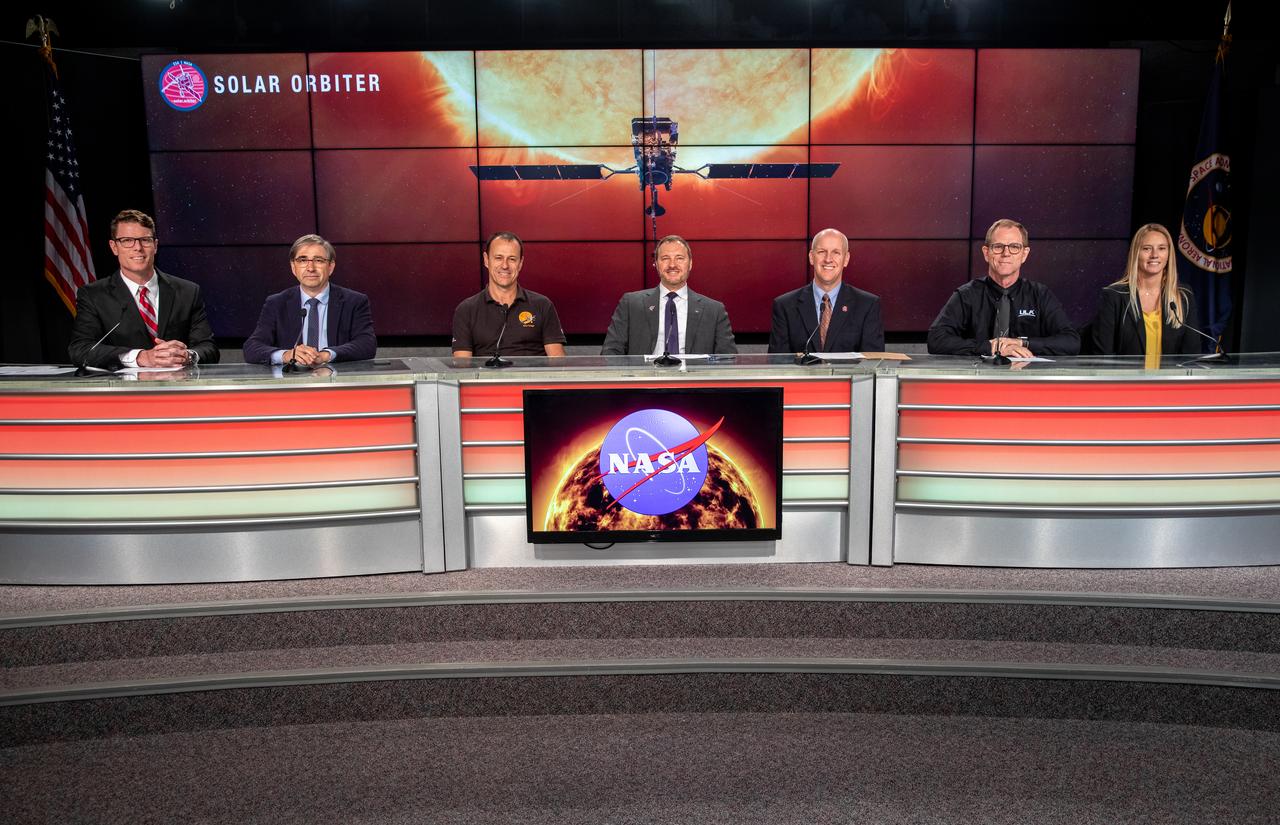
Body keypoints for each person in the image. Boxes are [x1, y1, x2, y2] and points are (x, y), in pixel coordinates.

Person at [68, 209, 219, 369]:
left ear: (155, 245)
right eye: (127, 240)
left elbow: (209, 349)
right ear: (114, 247)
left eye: (145, 240)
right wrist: (139, 357)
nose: (138, 248)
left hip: (177, 388)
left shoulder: (188, 291)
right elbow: (80, 350)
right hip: (123, 390)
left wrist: (187, 356)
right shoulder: (94, 295)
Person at [927, 218, 1079, 358]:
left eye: (1014, 247)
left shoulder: (1039, 295)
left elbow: (1071, 342)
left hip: (1026, 381)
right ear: (986, 253)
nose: (1006, 253)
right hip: (978, 381)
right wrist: (990, 347)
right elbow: (936, 340)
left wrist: (1022, 343)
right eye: (998, 247)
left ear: (1024, 254)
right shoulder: (966, 295)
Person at [243, 234, 376, 366]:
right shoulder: (277, 303)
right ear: (293, 267)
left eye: (318, 260)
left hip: (337, 380)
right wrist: (286, 355)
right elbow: (252, 347)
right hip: (291, 382)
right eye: (302, 260)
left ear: (330, 266)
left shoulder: (354, 301)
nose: (310, 268)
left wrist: (326, 355)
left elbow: (367, 344)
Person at [601, 235, 737, 356]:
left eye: (679, 258)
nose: (672, 265)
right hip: (645, 381)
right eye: (665, 258)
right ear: (656, 264)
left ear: (690, 264)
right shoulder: (631, 304)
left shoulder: (714, 310)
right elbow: (610, 354)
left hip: (693, 382)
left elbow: (729, 359)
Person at [1089, 223, 1201, 366]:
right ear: (1136, 253)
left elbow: (1191, 357)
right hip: (1128, 386)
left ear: (1169, 254)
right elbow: (1102, 359)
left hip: (1168, 386)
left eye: (1162, 248)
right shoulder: (1114, 296)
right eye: (1147, 248)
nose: (1155, 255)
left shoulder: (1183, 296)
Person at [768, 228, 884, 354]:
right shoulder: (785, 305)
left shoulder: (867, 305)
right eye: (822, 252)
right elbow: (777, 365)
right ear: (812, 257)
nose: (828, 259)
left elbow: (874, 364)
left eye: (836, 253)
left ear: (846, 259)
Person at [451, 232, 566, 358]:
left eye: (512, 259)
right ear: (486, 260)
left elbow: (558, 364)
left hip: (531, 377)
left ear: (520, 263)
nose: (505, 265)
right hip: (488, 377)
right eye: (498, 258)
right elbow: (462, 368)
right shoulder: (466, 310)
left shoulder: (543, 305)